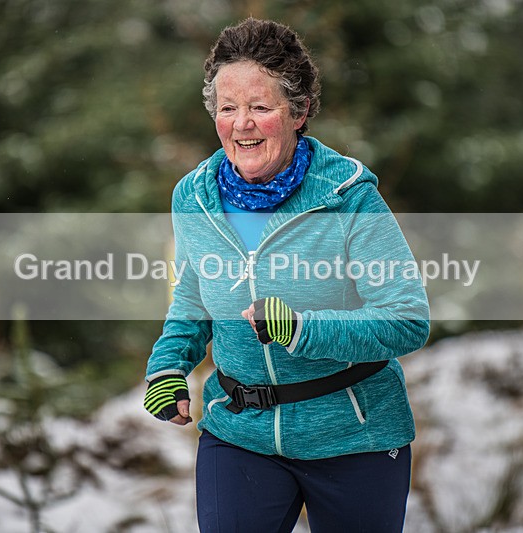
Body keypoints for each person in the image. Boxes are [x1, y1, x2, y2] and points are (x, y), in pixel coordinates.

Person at [143, 18, 430, 533]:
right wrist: (168, 365)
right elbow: (191, 296)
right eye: (228, 108)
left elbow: (407, 320)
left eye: (260, 107)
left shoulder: (348, 197)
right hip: (239, 430)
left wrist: (304, 330)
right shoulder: (193, 198)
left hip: (354, 435)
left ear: (298, 113)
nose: (242, 124)